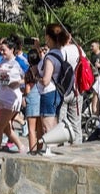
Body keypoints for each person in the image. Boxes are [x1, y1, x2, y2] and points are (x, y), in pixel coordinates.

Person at [36, 23, 87, 153]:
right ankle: (77, 149)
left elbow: (47, 78)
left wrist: (37, 77)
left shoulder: (57, 53)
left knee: (57, 125)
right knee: (76, 123)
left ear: (49, 37)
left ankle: (58, 150)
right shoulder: (78, 49)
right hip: (75, 89)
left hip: (57, 91)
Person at [0, 36, 28, 157]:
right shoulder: (2, 62)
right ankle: (21, 147)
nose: (1, 52)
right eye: (0, 49)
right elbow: (1, 77)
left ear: (12, 49)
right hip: (3, 96)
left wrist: (19, 83)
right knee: (6, 128)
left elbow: (31, 77)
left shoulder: (20, 62)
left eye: (4, 50)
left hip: (13, 98)